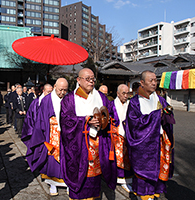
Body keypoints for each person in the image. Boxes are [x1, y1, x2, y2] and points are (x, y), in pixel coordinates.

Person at [60, 68, 117, 199]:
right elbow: (65, 121)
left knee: (95, 176)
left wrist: (104, 120)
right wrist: (85, 121)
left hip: (98, 144)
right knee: (80, 176)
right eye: (87, 79)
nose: (91, 81)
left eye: (93, 79)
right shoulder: (69, 99)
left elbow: (112, 114)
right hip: (79, 145)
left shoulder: (101, 97)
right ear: (78, 80)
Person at [125, 70, 175, 200]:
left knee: (158, 172)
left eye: (155, 80)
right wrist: (157, 115)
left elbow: (167, 117)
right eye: (151, 80)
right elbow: (134, 124)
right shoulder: (135, 102)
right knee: (144, 177)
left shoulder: (160, 99)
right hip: (143, 145)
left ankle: (153, 195)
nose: (154, 83)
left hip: (158, 143)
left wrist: (167, 114)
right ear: (142, 83)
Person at [27, 78, 68, 196]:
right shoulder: (46, 100)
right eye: (60, 90)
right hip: (51, 134)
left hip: (66, 135)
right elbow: (40, 119)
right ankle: (53, 184)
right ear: (55, 86)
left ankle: (67, 182)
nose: (62, 93)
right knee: (52, 160)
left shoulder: (69, 99)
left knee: (68, 158)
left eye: (65, 90)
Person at [111, 84, 133, 192]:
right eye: (123, 93)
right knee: (117, 158)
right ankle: (119, 179)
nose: (126, 96)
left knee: (128, 158)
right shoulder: (112, 105)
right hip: (116, 136)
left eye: (127, 93)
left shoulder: (131, 105)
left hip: (128, 136)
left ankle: (127, 179)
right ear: (118, 93)